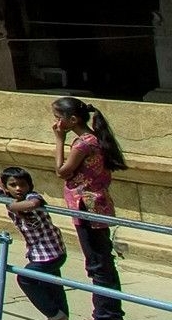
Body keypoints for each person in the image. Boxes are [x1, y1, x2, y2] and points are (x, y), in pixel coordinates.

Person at [53, 96, 126, 319]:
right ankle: (108, 310)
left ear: (72, 120)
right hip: (95, 205)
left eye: (58, 118)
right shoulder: (94, 139)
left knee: (98, 263)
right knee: (102, 260)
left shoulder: (83, 143)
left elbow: (62, 170)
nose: (55, 123)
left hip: (87, 207)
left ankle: (106, 313)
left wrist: (59, 140)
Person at [0, 166, 70, 320]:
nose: (18, 189)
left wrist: (12, 206)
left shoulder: (31, 196)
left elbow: (33, 204)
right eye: (13, 185)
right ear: (6, 187)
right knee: (53, 286)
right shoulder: (5, 193)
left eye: (22, 185)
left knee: (25, 278)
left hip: (51, 251)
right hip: (37, 252)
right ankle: (61, 315)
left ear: (29, 186)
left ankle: (54, 315)